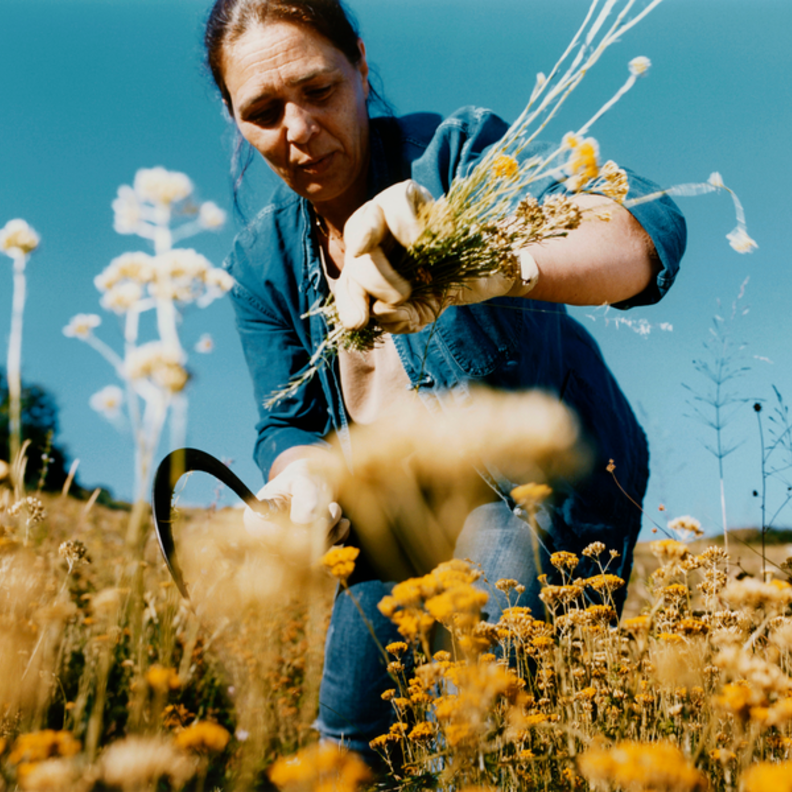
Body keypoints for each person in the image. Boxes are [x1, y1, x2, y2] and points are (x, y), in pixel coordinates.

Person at [204, 0, 686, 760]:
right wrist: (299, 480)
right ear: (235, 120)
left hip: (529, 485)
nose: (296, 131)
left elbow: (640, 230)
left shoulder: (456, 156)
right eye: (263, 112)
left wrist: (494, 259)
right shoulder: (259, 263)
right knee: (350, 740)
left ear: (360, 67)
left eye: (318, 91)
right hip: (390, 506)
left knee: (485, 716)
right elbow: (287, 421)